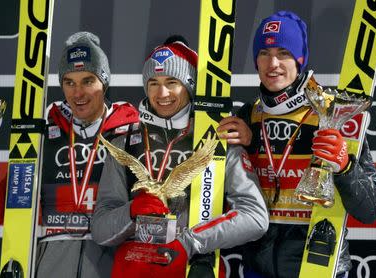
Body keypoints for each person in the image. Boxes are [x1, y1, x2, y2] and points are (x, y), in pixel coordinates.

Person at [0, 31, 139, 278]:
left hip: (113, 260)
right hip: (52, 264)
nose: (78, 93)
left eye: (87, 81)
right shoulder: (41, 131)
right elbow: (7, 212)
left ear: (103, 83)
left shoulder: (130, 131)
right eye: (69, 82)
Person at [217, 11, 376, 278]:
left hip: (320, 267)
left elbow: (372, 209)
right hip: (257, 269)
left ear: (300, 59)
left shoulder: (335, 113)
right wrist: (247, 147)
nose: (273, 63)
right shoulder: (248, 117)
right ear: (255, 62)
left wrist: (345, 167)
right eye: (264, 53)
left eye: (283, 52)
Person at [91, 36, 269, 278]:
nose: (162, 93)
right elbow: (101, 230)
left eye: (172, 82)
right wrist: (132, 211)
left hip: (194, 267)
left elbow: (255, 217)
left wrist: (189, 242)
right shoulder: (126, 142)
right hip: (136, 268)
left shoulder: (217, 137)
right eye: (153, 82)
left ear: (189, 85)